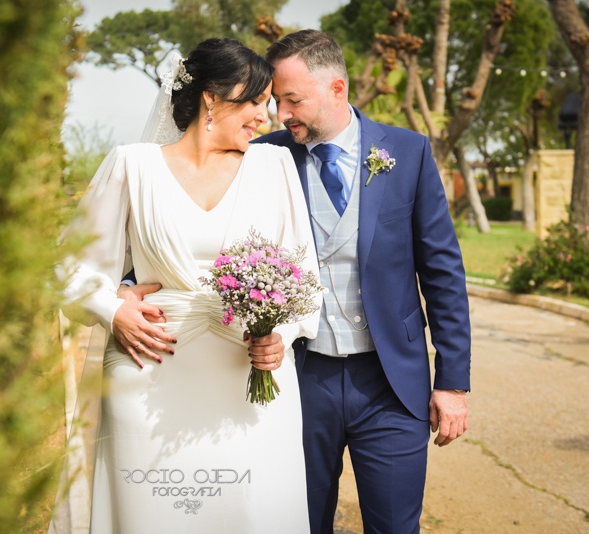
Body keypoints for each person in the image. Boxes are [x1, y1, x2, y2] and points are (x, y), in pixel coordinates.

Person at [119, 29, 472, 533]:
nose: (280, 115)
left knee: (395, 525)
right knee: (299, 522)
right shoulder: (263, 158)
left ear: (337, 90)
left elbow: (442, 273)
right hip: (297, 380)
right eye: (275, 101)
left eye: (292, 100)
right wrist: (127, 286)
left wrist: (453, 383)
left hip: (392, 384)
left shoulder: (409, 153)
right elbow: (194, 226)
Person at [61, 38, 320, 533]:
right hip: (148, 373)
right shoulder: (130, 166)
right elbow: (68, 267)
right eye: (255, 103)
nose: (264, 119)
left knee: (253, 512)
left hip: (249, 383)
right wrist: (111, 308)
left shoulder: (275, 168)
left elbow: (304, 277)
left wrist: (280, 337)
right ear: (211, 97)